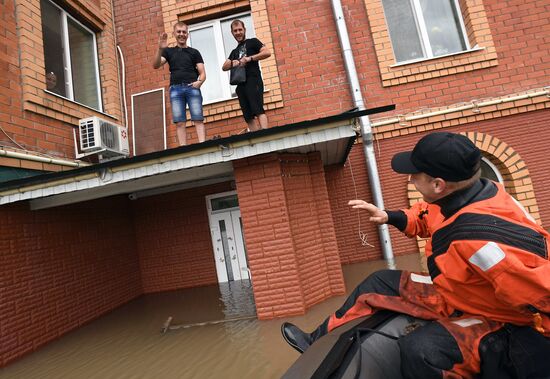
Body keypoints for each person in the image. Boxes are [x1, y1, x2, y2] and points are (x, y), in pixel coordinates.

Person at [281, 132, 550, 378]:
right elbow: (425, 216)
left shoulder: (484, 242)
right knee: (378, 281)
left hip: (501, 318)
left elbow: (540, 292)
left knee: (420, 350)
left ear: (438, 184)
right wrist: (389, 216)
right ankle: (314, 341)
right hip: (460, 290)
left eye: (415, 175)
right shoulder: (465, 195)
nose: (410, 179)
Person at [153, 21, 206, 146]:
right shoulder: (169, 51)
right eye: (179, 32)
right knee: (179, 121)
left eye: (184, 32)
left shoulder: (194, 52)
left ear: (187, 34)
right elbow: (155, 65)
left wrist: (199, 82)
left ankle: (203, 144)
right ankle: (183, 148)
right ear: (174, 34)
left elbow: (203, 73)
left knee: (198, 118)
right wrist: (160, 49)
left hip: (192, 87)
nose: (181, 34)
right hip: (175, 89)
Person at [222, 20, 271, 131]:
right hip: (240, 85)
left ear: (244, 30)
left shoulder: (253, 42)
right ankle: (255, 138)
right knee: (248, 116)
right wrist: (232, 63)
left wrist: (249, 58)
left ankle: (265, 134)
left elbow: (267, 52)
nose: (238, 32)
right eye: (235, 31)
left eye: (240, 29)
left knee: (258, 109)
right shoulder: (234, 51)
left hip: (253, 80)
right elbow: (224, 67)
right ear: (232, 33)